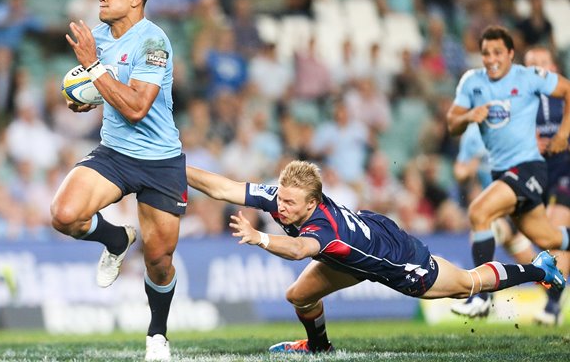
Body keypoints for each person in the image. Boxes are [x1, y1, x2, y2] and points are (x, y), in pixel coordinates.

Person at [186, 161, 565, 354]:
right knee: (298, 297)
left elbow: (300, 250)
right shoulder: (286, 197)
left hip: (399, 260)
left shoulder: (321, 227)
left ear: (312, 203)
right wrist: (169, 166)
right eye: (279, 199)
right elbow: (222, 187)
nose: (280, 208)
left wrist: (260, 238)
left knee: (465, 284)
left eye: (289, 203)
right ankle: (319, 348)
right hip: (353, 251)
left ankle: (539, 268)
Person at [49, 0, 186, 361]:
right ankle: (115, 239)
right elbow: (102, 91)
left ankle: (157, 334)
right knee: (64, 214)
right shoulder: (100, 37)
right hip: (115, 153)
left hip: (160, 160)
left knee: (159, 260)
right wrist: (83, 98)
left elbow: (139, 108)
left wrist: (95, 69)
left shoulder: (153, 41)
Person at [446, 25, 570, 318]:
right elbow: (452, 124)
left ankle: (481, 296)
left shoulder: (528, 77)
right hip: (504, 173)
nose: (491, 59)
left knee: (479, 212)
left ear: (511, 54)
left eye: (498, 52)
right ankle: (548, 281)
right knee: (550, 238)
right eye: (486, 53)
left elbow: (567, 89)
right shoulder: (471, 81)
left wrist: (564, 132)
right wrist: (467, 117)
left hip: (529, 167)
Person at [525, 46, 570, 325]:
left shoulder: (564, 96)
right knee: (541, 238)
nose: (539, 70)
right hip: (536, 173)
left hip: (565, 169)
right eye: (532, 66)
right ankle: (550, 291)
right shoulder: (520, 100)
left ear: (554, 67)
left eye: (543, 63)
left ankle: (553, 306)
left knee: (556, 228)